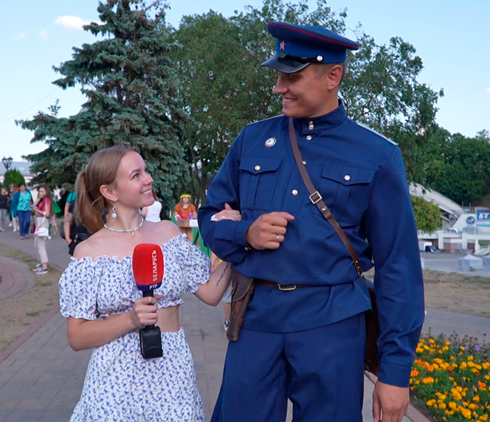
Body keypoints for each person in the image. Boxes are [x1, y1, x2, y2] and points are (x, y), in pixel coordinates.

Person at [198, 22, 424, 422]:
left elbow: (399, 270)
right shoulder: (251, 140)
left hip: (332, 324)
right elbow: (209, 216)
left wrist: (395, 374)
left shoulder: (377, 154)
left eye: (292, 77)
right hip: (257, 320)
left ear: (332, 76)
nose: (278, 87)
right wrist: (244, 233)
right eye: (278, 76)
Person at [59, 146, 239, 421]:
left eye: (145, 171)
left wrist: (234, 239)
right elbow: (77, 336)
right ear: (110, 192)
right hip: (114, 383)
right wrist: (130, 319)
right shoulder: (89, 252)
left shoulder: (168, 232)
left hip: (172, 373)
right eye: (136, 175)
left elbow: (212, 293)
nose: (148, 179)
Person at [32, 185, 53, 274]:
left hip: (43, 221)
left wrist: (38, 211)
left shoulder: (47, 200)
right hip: (38, 220)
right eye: (39, 191)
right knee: (36, 243)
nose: (40, 193)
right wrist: (38, 200)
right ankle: (41, 262)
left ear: (46, 192)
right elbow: (33, 207)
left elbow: (47, 213)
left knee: (40, 244)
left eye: (42, 191)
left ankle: (44, 266)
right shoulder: (41, 200)